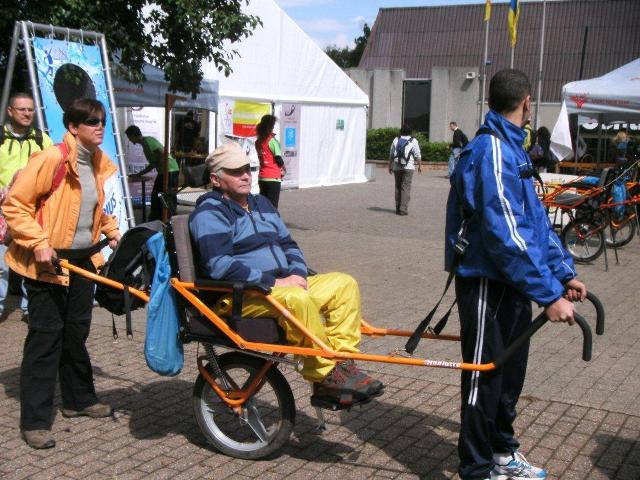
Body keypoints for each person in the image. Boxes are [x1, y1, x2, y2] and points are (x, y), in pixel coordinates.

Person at [445, 69, 587, 480]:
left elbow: (535, 223)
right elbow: (507, 236)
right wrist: (548, 294)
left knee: (509, 374)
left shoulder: (514, 150)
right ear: (527, 101)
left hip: (512, 282)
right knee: (483, 380)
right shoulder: (490, 151)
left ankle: (503, 452)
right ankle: (476, 468)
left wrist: (562, 275)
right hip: (487, 280)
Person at [189, 142, 383, 405]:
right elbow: (219, 265)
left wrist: (298, 274)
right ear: (216, 179)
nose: (246, 175)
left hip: (282, 286)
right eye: (236, 171)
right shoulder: (210, 212)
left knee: (344, 284)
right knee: (298, 299)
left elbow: (289, 244)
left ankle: (340, 364)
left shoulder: (262, 204)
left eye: (248, 168)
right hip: (240, 296)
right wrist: (276, 282)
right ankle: (324, 375)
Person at [3, 98, 122, 449]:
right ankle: (35, 421)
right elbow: (15, 205)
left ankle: (78, 400)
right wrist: (38, 242)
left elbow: (92, 208)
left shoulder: (98, 162)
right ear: (73, 127)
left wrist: (111, 231)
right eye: (91, 121)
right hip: (47, 263)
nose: (99, 126)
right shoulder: (51, 158)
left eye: (101, 120)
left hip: (84, 260)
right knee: (45, 337)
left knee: (76, 332)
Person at [0, 92, 53, 321]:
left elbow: (55, 169)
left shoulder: (42, 140)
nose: (27, 113)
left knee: (30, 261)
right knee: (1, 263)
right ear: (10, 111)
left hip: (32, 212)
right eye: (22, 109)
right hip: (3, 210)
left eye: (30, 109)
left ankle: (30, 309)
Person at [125, 125, 179, 221]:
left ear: (133, 135)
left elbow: (161, 155)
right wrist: (139, 174)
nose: (129, 140)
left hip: (169, 171)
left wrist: (157, 164)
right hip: (166, 171)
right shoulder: (146, 143)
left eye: (129, 137)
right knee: (158, 196)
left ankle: (170, 220)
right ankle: (159, 218)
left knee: (165, 196)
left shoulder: (147, 141)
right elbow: (153, 164)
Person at [388, 125, 422, 216]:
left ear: (401, 131)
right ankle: (403, 209)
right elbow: (417, 154)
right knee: (405, 187)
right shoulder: (413, 140)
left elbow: (391, 154)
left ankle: (397, 208)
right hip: (409, 167)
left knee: (398, 187)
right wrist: (419, 165)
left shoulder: (396, 139)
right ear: (410, 131)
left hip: (397, 166)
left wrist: (389, 166)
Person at [255, 114, 286, 209]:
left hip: (262, 177)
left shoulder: (258, 142)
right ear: (270, 127)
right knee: (272, 206)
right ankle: (272, 223)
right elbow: (278, 159)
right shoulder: (272, 141)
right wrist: (284, 168)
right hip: (273, 177)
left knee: (263, 205)